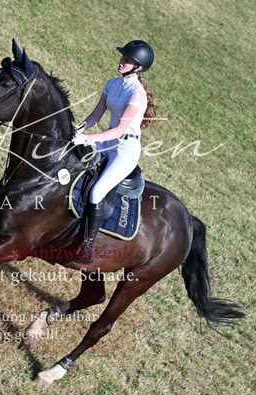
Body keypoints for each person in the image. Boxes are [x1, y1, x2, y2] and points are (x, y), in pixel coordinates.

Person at [72, 40, 160, 263]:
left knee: (96, 192)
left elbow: (121, 129)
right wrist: (78, 129)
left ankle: (87, 246)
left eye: (127, 60)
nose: (121, 61)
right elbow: (95, 116)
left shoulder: (137, 94)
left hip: (124, 150)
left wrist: (88, 139)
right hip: (107, 141)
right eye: (123, 57)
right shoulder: (112, 83)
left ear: (138, 67)